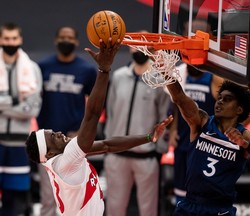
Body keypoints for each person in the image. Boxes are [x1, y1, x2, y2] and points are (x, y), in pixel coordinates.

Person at [25, 38, 174, 216]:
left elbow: (107, 145)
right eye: (53, 137)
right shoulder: (67, 160)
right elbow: (93, 114)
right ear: (49, 153)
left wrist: (149, 137)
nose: (58, 133)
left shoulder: (63, 156)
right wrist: (104, 70)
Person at [164, 77, 250, 216]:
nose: (220, 101)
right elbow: (179, 98)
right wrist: (166, 72)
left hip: (220, 209)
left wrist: (244, 144)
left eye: (227, 99)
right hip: (190, 205)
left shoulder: (245, 136)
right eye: (219, 97)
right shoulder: (201, 121)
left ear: (239, 109)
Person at [104, 43, 171, 216]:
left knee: (148, 209)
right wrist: (108, 143)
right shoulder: (118, 76)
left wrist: (159, 149)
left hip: (146, 156)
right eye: (136, 47)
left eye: (144, 47)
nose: (139, 51)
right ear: (130, 49)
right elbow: (110, 111)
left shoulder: (159, 80)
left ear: (150, 51)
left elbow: (165, 117)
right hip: (116, 155)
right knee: (114, 208)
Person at [36, 26, 97, 216]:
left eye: (70, 38)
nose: (66, 40)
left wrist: (81, 131)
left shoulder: (86, 70)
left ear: (76, 42)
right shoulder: (43, 67)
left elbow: (95, 106)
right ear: (56, 40)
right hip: (47, 142)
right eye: (62, 37)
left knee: (73, 195)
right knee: (48, 197)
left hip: (72, 141)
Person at [0, 22, 42, 216]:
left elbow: (32, 109)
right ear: (1, 40)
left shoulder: (31, 69)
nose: (10, 42)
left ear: (20, 40)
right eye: (7, 38)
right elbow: (23, 106)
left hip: (19, 145)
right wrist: (18, 101)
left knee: (15, 200)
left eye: (14, 38)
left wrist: (3, 105)